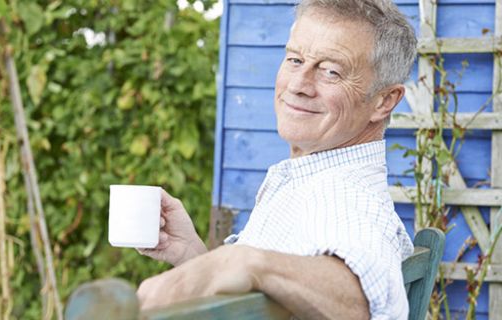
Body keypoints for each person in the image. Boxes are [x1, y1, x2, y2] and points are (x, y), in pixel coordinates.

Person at [136, 0, 417, 318]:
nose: (298, 85)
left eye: (331, 71)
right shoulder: (314, 178)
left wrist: (241, 261)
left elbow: (362, 299)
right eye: (295, 60)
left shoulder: (345, 197)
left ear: (384, 101)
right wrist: (193, 255)